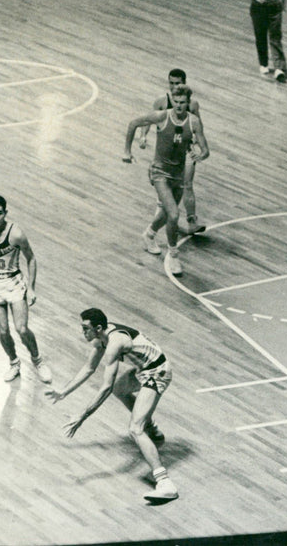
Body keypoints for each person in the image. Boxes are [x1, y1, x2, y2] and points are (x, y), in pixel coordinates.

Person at [45, 308, 178, 502]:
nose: (83, 333)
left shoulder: (115, 343)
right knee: (120, 389)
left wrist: (82, 416)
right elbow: (89, 368)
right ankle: (154, 432)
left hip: (158, 372)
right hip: (144, 369)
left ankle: (165, 484)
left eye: (86, 328)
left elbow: (105, 388)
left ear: (98, 328)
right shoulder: (101, 337)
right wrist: (63, 392)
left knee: (135, 429)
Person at [123, 85, 210, 276]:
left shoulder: (194, 122)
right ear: (173, 100)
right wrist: (127, 151)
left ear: (188, 103)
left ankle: (149, 234)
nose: (179, 106)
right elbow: (133, 123)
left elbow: (206, 150)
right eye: (176, 102)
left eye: (183, 103)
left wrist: (200, 156)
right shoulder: (162, 116)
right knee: (173, 214)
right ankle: (173, 255)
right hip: (159, 172)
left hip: (177, 175)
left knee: (164, 214)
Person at [0, 195, 52, 382]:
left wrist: (31, 288)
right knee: (3, 331)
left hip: (13, 282)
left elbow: (31, 258)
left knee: (22, 329)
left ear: (5, 213)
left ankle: (38, 361)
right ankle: (14, 363)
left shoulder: (16, 234)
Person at [137, 68, 207, 236]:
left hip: (186, 151)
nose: (174, 86)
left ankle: (191, 220)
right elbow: (148, 120)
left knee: (187, 184)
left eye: (178, 83)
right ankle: (158, 224)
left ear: (184, 83)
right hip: (166, 154)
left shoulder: (192, 104)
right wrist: (143, 136)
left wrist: (198, 141)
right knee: (166, 191)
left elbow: (199, 124)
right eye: (171, 83)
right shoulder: (161, 101)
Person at [239, 0, 287, 83]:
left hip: (275, 6)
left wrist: (283, 2)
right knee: (260, 37)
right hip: (258, 7)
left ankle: (279, 68)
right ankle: (263, 63)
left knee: (276, 37)